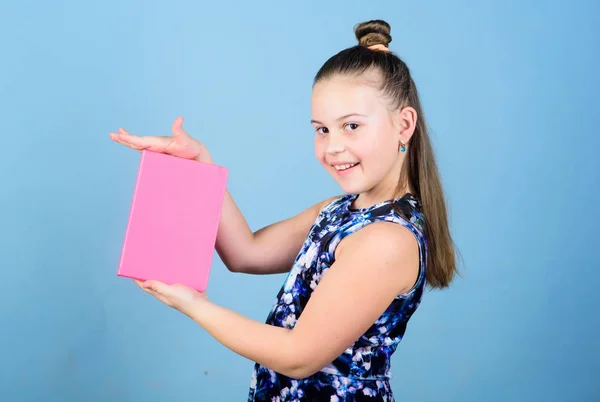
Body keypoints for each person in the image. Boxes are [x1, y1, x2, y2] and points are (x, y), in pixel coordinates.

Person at [110, 19, 458, 402]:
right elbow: (246, 253)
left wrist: (194, 305)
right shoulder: (340, 210)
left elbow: (298, 357)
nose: (333, 147)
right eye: (322, 129)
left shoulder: (387, 240)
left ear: (404, 125)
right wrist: (200, 167)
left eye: (352, 126)